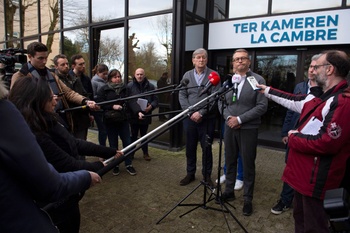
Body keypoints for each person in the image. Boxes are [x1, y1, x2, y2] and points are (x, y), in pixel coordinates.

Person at [9, 76, 123, 233]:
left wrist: (109, 151)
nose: (55, 102)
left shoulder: (48, 119)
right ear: (35, 102)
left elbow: (74, 143)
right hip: (55, 202)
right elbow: (66, 163)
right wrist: (98, 167)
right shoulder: (34, 134)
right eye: (50, 98)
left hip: (68, 196)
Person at [257, 50, 350, 232]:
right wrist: (266, 90)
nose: (313, 71)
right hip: (302, 178)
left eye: (318, 67)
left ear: (329, 69)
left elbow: (326, 143)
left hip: (315, 181)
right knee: (300, 219)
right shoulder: (320, 96)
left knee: (314, 226)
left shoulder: (342, 102)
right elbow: (293, 100)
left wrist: (293, 137)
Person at [218, 48, 268, 216]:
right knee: (230, 160)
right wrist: (229, 118)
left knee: (247, 164)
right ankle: (229, 191)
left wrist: (240, 119)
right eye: (236, 59)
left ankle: (248, 199)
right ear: (232, 63)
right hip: (229, 127)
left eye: (242, 59)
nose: (239, 61)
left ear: (249, 62)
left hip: (248, 128)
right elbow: (220, 102)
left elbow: (262, 106)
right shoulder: (229, 81)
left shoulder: (257, 80)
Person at [10, 42, 98, 132]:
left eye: (46, 58)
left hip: (56, 119)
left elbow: (68, 92)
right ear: (30, 56)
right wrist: (46, 100)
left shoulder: (52, 74)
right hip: (36, 124)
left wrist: (85, 101)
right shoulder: (20, 76)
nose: (44, 61)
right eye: (40, 58)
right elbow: (18, 103)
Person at [271, 54, 319, 215]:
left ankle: (305, 205)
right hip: (294, 136)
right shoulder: (300, 86)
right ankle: (285, 200)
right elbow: (290, 110)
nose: (312, 70)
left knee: (307, 172)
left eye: (315, 67)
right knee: (290, 168)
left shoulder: (326, 92)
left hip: (310, 140)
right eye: (310, 67)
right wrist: (285, 132)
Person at [178, 48, 220, 187]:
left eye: (203, 57)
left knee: (206, 148)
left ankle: (207, 175)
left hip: (207, 119)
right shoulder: (187, 75)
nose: (201, 60)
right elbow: (182, 95)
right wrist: (190, 112)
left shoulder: (213, 75)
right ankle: (190, 173)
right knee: (190, 148)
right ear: (193, 60)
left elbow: (214, 98)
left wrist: (201, 113)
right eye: (198, 57)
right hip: (189, 119)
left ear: (206, 59)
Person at [96, 69, 136, 176]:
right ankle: (115, 165)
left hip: (123, 120)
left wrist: (137, 112)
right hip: (110, 121)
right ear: (110, 78)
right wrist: (112, 106)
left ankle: (128, 164)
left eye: (119, 77)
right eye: (115, 77)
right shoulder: (104, 89)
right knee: (113, 144)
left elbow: (131, 101)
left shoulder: (125, 88)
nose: (117, 79)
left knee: (127, 142)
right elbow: (100, 103)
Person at [53, 54, 91, 141]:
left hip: (81, 118)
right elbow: (68, 95)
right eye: (62, 65)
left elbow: (83, 94)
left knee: (82, 146)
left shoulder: (75, 79)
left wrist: (88, 109)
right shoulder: (54, 81)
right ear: (56, 66)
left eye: (67, 64)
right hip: (66, 119)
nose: (66, 66)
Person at [126, 68, 158, 161]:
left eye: (141, 74)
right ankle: (131, 153)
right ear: (135, 75)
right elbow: (129, 101)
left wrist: (151, 106)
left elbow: (156, 100)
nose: (139, 76)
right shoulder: (129, 86)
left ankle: (145, 153)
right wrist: (135, 111)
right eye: (138, 74)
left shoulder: (151, 86)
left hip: (146, 114)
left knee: (144, 135)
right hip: (134, 115)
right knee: (133, 135)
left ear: (144, 75)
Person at [91, 64, 109, 146]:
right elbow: (93, 96)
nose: (105, 76)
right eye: (104, 74)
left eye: (106, 74)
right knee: (103, 130)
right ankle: (102, 149)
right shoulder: (94, 82)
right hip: (98, 110)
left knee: (105, 130)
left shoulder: (105, 82)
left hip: (105, 108)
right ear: (98, 73)